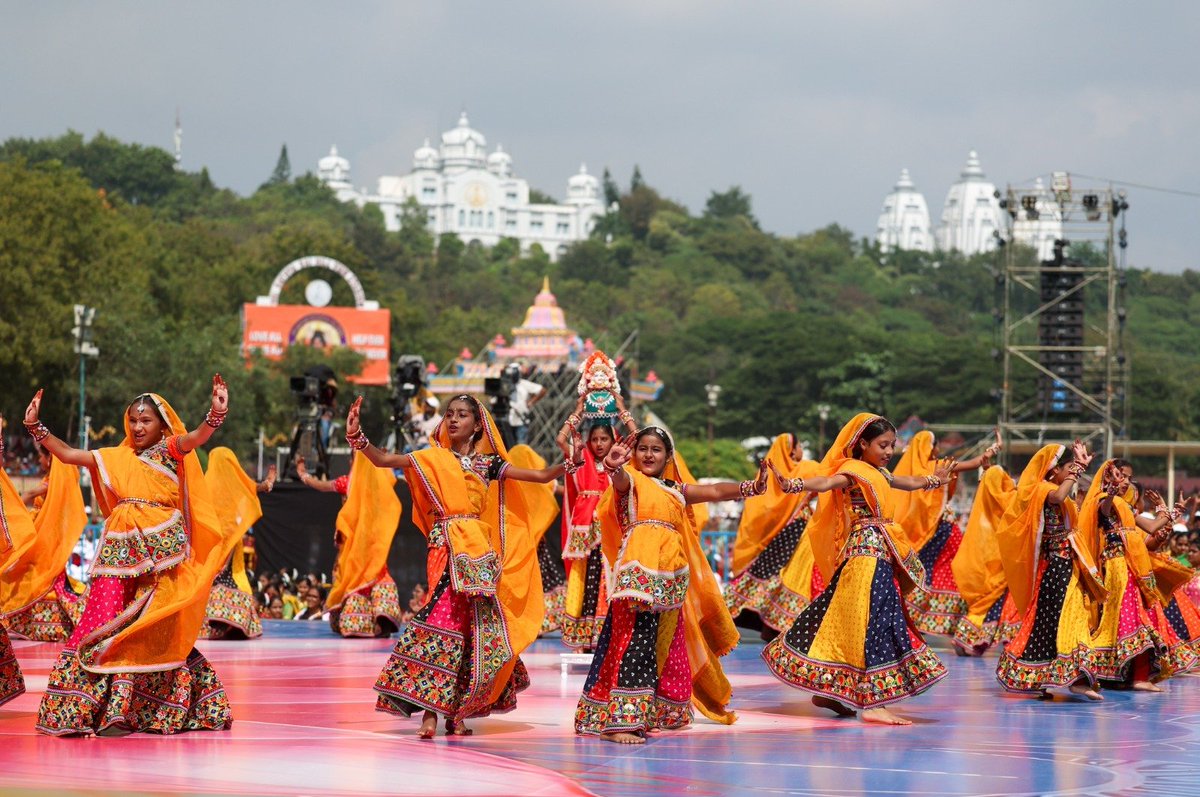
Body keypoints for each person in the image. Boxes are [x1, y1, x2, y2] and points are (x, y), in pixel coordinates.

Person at [20, 378, 234, 736]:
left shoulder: (169, 450)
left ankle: (140, 707)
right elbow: (70, 454)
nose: (137, 427)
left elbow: (196, 438)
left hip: (162, 555)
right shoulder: (115, 458)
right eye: (133, 420)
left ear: (161, 425)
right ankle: (83, 709)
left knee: (152, 622)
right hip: (118, 552)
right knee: (102, 620)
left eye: (146, 420)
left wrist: (216, 413)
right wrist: (35, 428)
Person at [348, 393, 562, 738]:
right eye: (449, 414)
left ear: (478, 425)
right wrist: (358, 438)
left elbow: (539, 476)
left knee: (470, 632)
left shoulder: (488, 464)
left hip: (477, 554)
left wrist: (567, 463)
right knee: (440, 621)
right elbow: (384, 459)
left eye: (462, 414)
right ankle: (431, 713)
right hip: (445, 546)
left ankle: (457, 714)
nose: (453, 419)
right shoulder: (432, 459)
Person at [762, 414, 953, 726]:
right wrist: (794, 484)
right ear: (862, 444)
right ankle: (873, 703)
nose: (889, 450)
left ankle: (829, 690)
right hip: (867, 554)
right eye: (882, 444)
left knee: (847, 619)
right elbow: (825, 482)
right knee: (872, 621)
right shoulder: (851, 471)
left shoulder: (878, 471)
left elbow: (905, 482)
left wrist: (934, 480)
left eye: (892, 445)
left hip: (879, 551)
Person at [575, 426, 747, 744]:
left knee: (666, 646)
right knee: (634, 643)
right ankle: (621, 721)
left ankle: (657, 711)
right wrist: (613, 466)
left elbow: (713, 492)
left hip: (670, 577)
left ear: (668, 457)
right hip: (638, 575)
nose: (649, 454)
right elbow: (620, 480)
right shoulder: (631, 481)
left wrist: (749, 487)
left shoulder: (675, 489)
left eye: (656, 450)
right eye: (643, 448)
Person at [995, 441, 1107, 700]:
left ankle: (1076, 679)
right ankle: (1039, 677)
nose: (1071, 473)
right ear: (1052, 471)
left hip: (1067, 565)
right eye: (1067, 468)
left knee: (1073, 619)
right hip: (1054, 567)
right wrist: (1077, 469)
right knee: (1049, 622)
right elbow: (1057, 497)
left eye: (1072, 469)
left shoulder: (1060, 491)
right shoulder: (1043, 489)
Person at [1081, 460, 1193, 689]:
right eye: (1119, 476)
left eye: (1126, 478)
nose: (1124, 482)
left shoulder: (1126, 508)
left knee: (1140, 618)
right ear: (1107, 479)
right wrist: (1110, 492)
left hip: (1132, 568)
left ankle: (1136, 676)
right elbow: (1103, 510)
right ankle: (1116, 675)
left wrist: (1174, 511)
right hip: (1117, 567)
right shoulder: (1104, 501)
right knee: (1130, 619)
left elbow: (1153, 528)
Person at [896, 429, 1000, 637]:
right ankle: (952, 620)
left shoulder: (907, 472)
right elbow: (975, 462)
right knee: (956, 570)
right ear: (929, 447)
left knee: (923, 576)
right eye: (935, 445)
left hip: (922, 535)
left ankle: (911, 617)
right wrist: (991, 451)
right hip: (943, 529)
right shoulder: (937, 466)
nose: (938, 448)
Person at [555, 392, 638, 650]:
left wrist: (623, 410)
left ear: (614, 439)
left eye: (604, 439)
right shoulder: (581, 459)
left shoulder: (621, 461)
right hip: (585, 528)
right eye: (595, 440)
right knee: (585, 580)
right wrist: (577, 412)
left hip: (611, 525)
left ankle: (608, 637)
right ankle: (583, 638)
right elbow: (560, 439)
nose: (599, 444)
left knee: (609, 577)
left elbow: (637, 438)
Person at [724, 433, 818, 639]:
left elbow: (760, 510)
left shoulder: (766, 476)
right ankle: (776, 626)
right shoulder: (807, 469)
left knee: (767, 579)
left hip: (773, 543)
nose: (801, 449)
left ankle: (759, 623)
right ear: (792, 450)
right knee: (788, 580)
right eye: (799, 445)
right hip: (797, 535)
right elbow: (827, 480)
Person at [1, 443, 89, 641]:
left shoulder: (52, 485)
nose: (39, 460)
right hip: (40, 537)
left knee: (23, 577)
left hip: (42, 542)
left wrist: (22, 500)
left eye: (41, 456)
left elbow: (26, 501)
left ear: (50, 459)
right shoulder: (53, 482)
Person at [324, 451, 403, 638]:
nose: (353, 460)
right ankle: (381, 615)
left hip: (357, 546)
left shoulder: (352, 482)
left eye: (354, 457)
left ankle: (358, 620)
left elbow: (322, 485)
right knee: (376, 575)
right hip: (370, 545)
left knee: (354, 577)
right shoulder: (376, 483)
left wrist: (304, 476)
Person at [199, 450, 274, 640]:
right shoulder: (230, 489)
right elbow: (254, 489)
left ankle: (212, 625)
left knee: (212, 582)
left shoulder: (203, 486)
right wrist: (266, 484)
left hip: (212, 547)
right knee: (232, 581)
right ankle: (232, 622)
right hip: (227, 545)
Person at [949, 464, 1020, 655]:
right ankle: (972, 640)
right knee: (992, 603)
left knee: (982, 604)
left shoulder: (983, 503)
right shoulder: (1003, 501)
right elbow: (1015, 503)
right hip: (996, 563)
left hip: (983, 563)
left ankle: (966, 638)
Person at [507, 364, 546, 445]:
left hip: (521, 420)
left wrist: (531, 402)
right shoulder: (505, 385)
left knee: (521, 446)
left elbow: (542, 390)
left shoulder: (523, 384)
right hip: (507, 420)